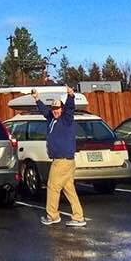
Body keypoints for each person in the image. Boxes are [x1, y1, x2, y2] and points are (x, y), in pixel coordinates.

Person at [31, 86, 87, 227]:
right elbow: (44, 111)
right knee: (69, 189)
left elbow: (70, 109)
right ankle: (78, 217)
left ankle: (52, 216)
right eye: (54, 109)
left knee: (52, 187)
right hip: (65, 160)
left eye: (58, 109)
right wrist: (37, 98)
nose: (56, 111)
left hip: (62, 160)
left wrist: (70, 96)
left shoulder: (66, 119)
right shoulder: (51, 119)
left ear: (62, 109)